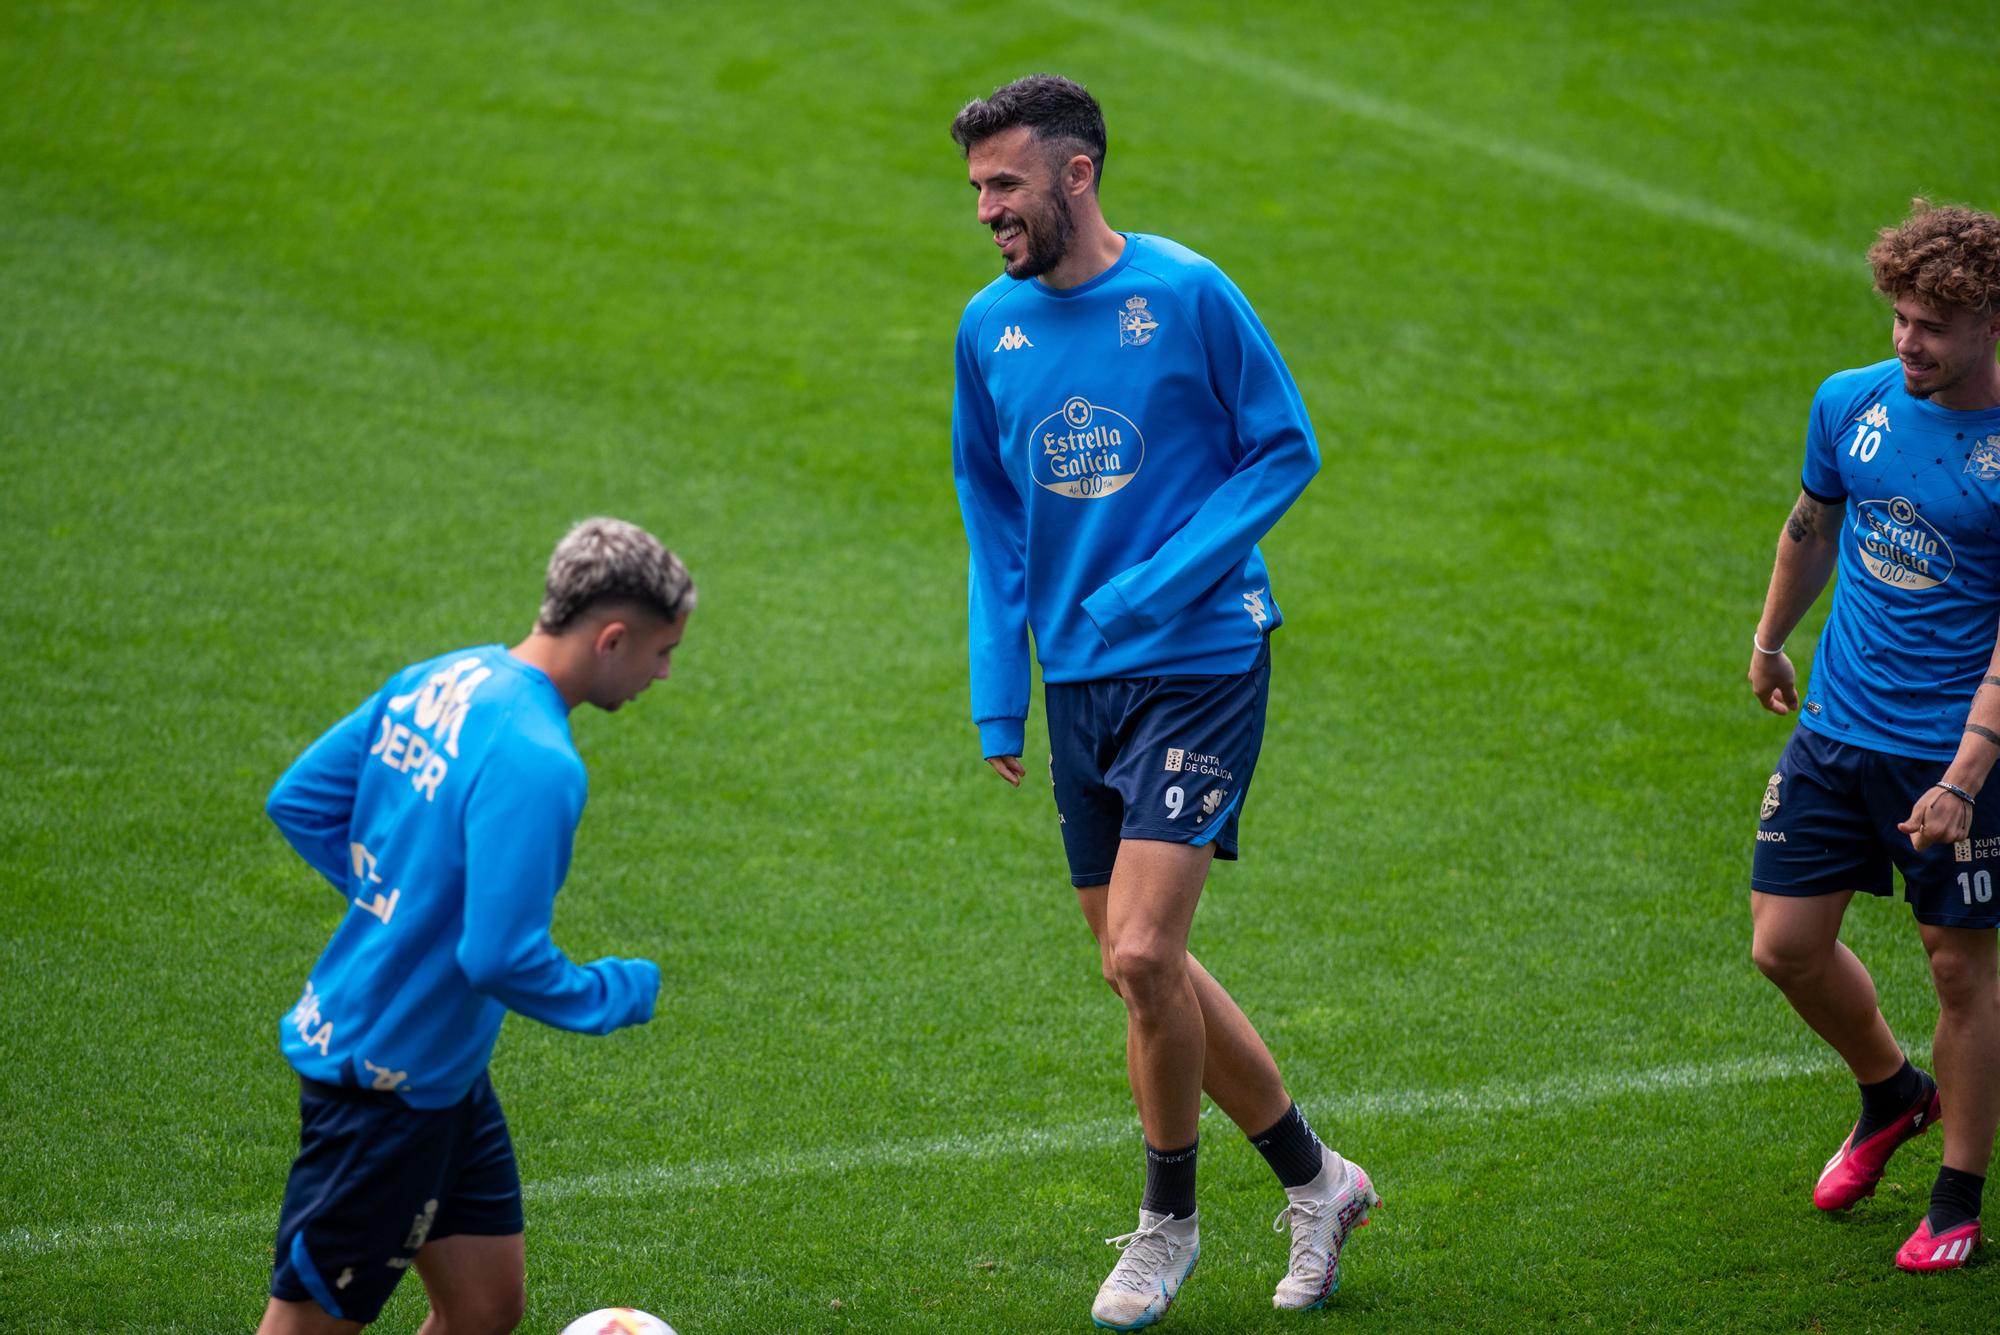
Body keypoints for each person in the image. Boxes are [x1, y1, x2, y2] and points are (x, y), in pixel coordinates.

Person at [947, 75, 1376, 1330]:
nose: (986, 210)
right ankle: (1317, 1180)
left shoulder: (1186, 293)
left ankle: (1166, 1222)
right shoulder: (988, 328)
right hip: (1077, 682)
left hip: (1198, 654)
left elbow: (1282, 446)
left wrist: (1158, 582)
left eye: (1004, 184)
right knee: (1142, 971)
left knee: (1140, 951)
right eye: (975, 189)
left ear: (1075, 175)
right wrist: (996, 695)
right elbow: (991, 516)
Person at [256, 517, 694, 1332]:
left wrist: (395, 897)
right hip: (385, 1090)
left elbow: (301, 801)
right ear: (611, 638)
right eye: (662, 651)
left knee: (485, 1309)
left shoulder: (439, 677)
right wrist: (616, 991)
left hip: (444, 1078)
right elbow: (501, 956)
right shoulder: (538, 760)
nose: (664, 672)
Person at [1748, 200, 2000, 1273]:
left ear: (1991, 320)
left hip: (1952, 754)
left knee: (1957, 973)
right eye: (1898, 316)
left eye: (1933, 326)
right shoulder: (1849, 402)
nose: (1906, 341)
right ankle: (1891, 1092)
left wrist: (1962, 778)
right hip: (1834, 730)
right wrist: (1768, 639)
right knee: (1783, 946)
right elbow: (1811, 523)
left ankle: (1955, 1194)